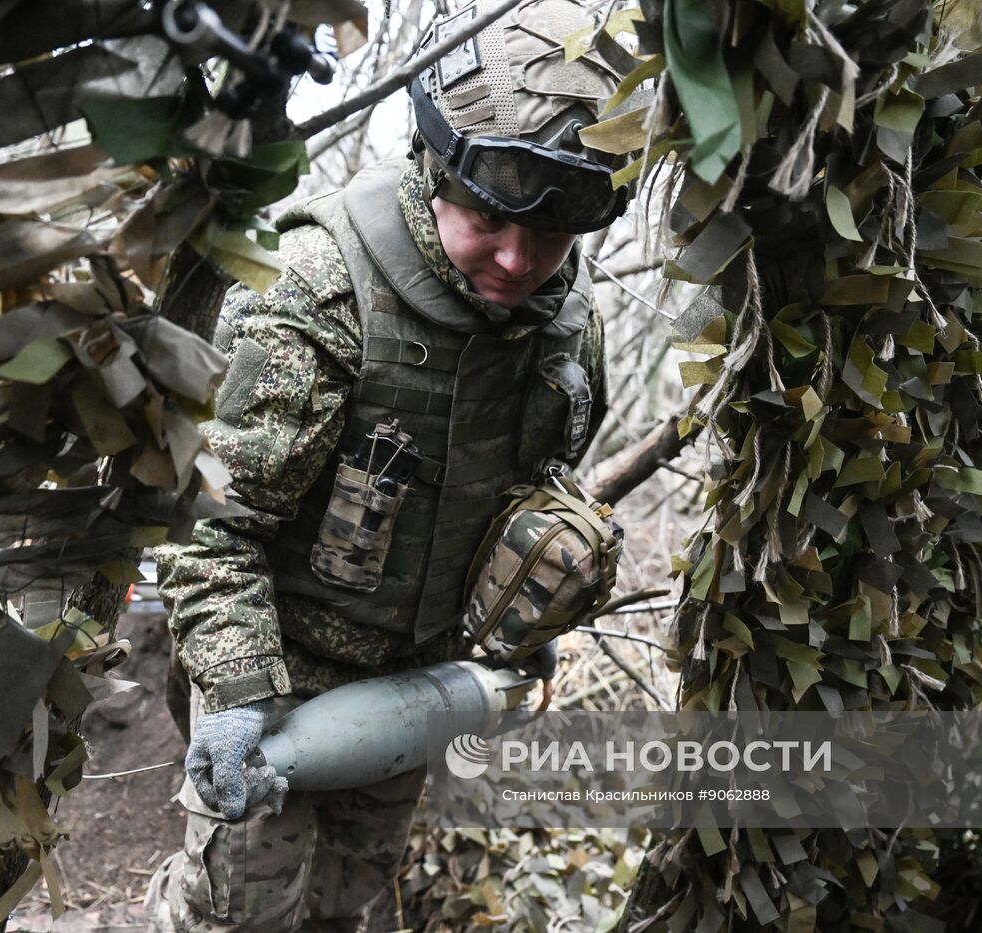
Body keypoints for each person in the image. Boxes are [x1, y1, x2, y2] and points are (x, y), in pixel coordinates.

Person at [145, 2, 627, 929]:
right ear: (439, 171)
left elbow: (538, 485)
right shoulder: (320, 288)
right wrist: (242, 692)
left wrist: (530, 606)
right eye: (490, 217)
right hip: (278, 675)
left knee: (346, 904)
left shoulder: (570, 327)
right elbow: (207, 519)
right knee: (235, 912)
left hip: (414, 681)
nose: (520, 259)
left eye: (553, 232)